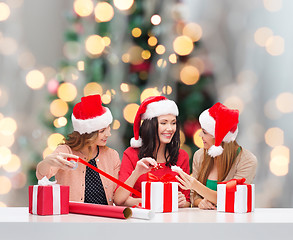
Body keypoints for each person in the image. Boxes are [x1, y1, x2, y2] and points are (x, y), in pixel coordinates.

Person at [36, 94, 120, 205]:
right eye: (102, 131)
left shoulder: (112, 155)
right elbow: (42, 175)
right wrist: (46, 162)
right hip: (73, 218)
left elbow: (118, 196)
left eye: (108, 128)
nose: (108, 134)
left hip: (104, 219)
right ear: (88, 133)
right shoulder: (65, 152)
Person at [175, 102, 257, 210]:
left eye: (204, 132)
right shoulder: (200, 155)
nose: (200, 135)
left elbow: (234, 198)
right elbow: (193, 196)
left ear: (218, 137)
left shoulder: (247, 160)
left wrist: (195, 185)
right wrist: (200, 202)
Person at [114, 96, 191, 208]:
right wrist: (137, 172)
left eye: (173, 123)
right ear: (150, 126)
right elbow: (119, 199)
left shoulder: (182, 156)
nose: (170, 128)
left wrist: (182, 202)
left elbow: (187, 201)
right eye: (164, 123)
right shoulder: (131, 154)